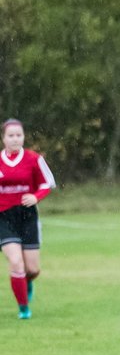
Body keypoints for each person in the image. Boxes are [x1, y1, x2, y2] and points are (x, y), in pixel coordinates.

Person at [0, 119, 55, 320]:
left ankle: (26, 282)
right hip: (3, 217)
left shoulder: (33, 159)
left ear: (23, 137)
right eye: (11, 135)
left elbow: (47, 183)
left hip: (27, 216)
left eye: (19, 135)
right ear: (3, 138)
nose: (15, 139)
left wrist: (35, 197)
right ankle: (24, 309)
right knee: (16, 263)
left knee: (32, 269)